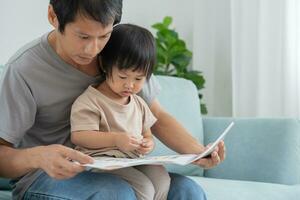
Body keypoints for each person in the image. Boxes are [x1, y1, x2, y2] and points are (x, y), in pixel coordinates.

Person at [0, 0, 225, 200]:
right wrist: (38, 157)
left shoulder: (119, 53)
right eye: (83, 36)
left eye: (104, 35)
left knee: (187, 191)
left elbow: (158, 117)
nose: (93, 49)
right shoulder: (23, 70)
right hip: (47, 178)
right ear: (53, 17)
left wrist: (199, 153)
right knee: (115, 193)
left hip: (114, 165)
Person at [70, 23, 170, 200]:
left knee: (161, 177)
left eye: (139, 79)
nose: (130, 85)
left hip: (130, 161)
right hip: (100, 162)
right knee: (144, 187)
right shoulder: (91, 100)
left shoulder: (138, 103)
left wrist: (148, 144)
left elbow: (147, 134)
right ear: (105, 65)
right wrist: (116, 139)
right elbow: (79, 136)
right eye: (123, 77)